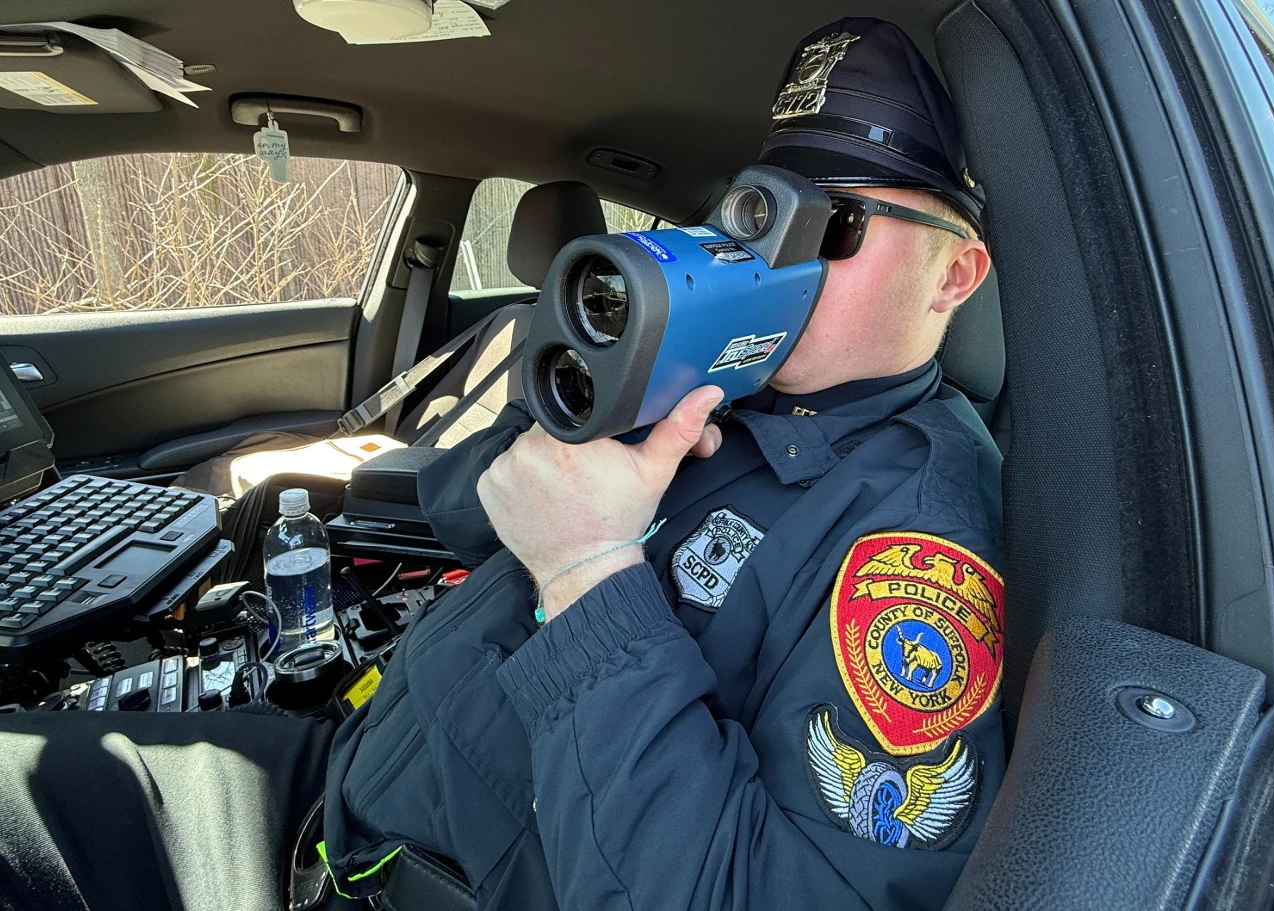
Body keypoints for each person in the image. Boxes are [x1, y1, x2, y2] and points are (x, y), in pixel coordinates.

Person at [0, 17, 999, 911]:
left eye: (836, 222)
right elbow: (460, 509)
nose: (780, 253)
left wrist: (587, 572)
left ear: (953, 273)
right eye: (762, 209)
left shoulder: (918, 547)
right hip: (344, 785)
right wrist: (578, 390)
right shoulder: (719, 378)